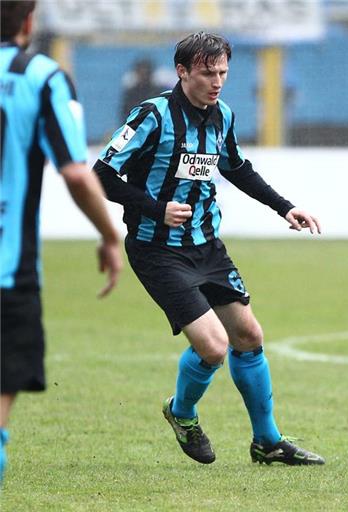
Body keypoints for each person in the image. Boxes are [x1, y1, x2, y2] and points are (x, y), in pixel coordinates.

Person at [93, 31, 324, 466]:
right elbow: (101, 174)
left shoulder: (223, 116)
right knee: (214, 347)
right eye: (206, 73)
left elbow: (236, 167)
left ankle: (267, 441)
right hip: (156, 249)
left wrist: (285, 208)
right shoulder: (152, 115)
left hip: (206, 245)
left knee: (249, 335)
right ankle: (181, 414)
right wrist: (156, 208)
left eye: (223, 73)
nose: (217, 82)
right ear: (182, 71)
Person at [0, 0, 123, 485]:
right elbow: (75, 172)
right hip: (8, 271)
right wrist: (110, 234)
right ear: (29, 22)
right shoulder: (42, 76)